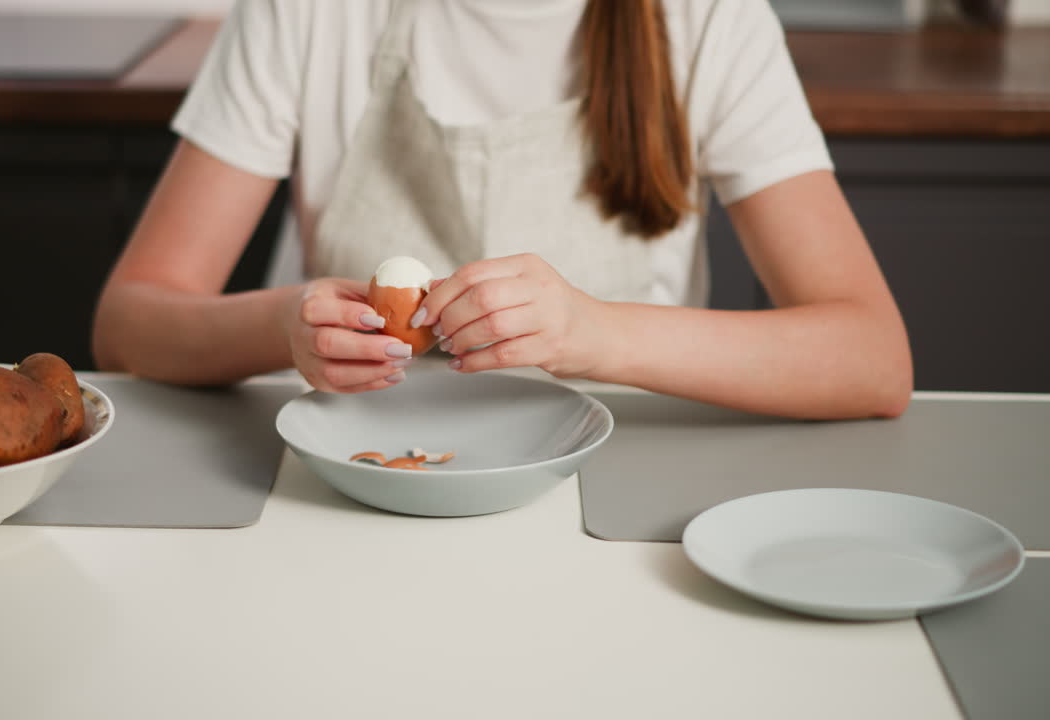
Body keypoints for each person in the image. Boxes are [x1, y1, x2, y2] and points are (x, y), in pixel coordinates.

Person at [91, 0, 913, 420]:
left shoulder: (707, 19)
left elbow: (872, 359)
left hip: (624, 474)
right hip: (359, 468)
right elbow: (129, 326)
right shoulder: (307, 13)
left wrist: (598, 333)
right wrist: (283, 328)